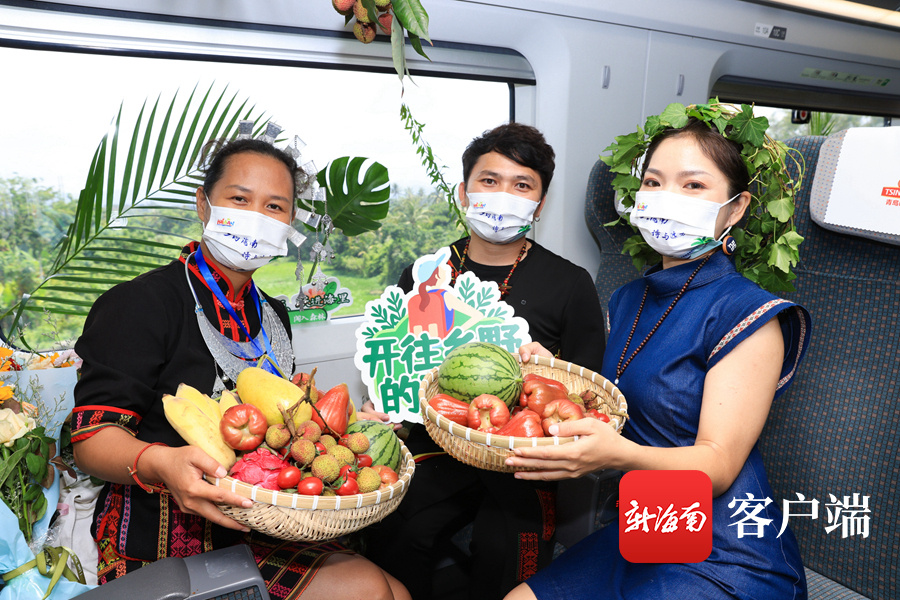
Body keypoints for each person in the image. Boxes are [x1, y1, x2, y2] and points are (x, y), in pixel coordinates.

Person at [71, 133, 410, 600]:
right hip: (166, 530)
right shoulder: (140, 304)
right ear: (204, 204)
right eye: (239, 198)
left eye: (274, 207)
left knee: (398, 589)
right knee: (367, 589)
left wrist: (344, 425)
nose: (255, 217)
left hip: (262, 513)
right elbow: (90, 442)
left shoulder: (272, 312)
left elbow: (281, 419)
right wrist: (162, 462)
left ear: (290, 223)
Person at [505, 115, 812, 599]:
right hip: (650, 525)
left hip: (724, 547)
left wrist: (616, 455)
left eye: (693, 185)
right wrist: (554, 376)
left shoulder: (751, 313)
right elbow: (621, 402)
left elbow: (719, 466)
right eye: (654, 182)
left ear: (735, 210)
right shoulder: (629, 298)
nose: (667, 197)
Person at [362, 122, 607, 600]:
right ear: (464, 191)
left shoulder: (570, 283)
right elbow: (390, 356)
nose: (503, 195)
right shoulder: (423, 273)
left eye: (522, 185)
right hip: (436, 443)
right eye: (490, 181)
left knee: (511, 546)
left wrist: (546, 374)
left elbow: (589, 391)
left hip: (523, 456)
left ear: (539, 204)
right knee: (400, 527)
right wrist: (383, 406)